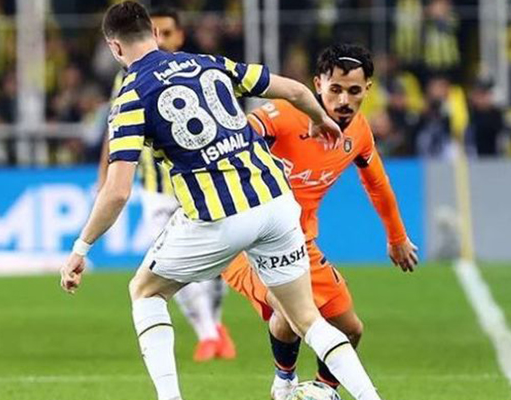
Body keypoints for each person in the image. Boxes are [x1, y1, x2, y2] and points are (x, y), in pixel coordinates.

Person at [60, 3, 384, 400]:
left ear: (115, 47)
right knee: (308, 320)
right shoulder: (208, 63)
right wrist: (320, 118)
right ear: (154, 34)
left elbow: (117, 191)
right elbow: (297, 91)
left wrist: (81, 248)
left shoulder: (129, 97)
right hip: (276, 202)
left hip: (218, 215)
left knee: (145, 291)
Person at [221, 44, 418, 400]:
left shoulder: (359, 133)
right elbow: (234, 139)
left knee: (351, 329)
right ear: (317, 84)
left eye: (354, 91)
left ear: (367, 89)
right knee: (291, 310)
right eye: (335, 89)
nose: (344, 100)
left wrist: (397, 238)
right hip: (247, 240)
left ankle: (321, 391)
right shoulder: (284, 115)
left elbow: (377, 184)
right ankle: (284, 385)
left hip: (300, 244)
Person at [96, 6, 236, 362]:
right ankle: (207, 334)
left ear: (177, 35)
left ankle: (215, 325)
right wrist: (105, 175)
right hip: (156, 189)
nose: (161, 37)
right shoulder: (126, 80)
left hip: (202, 185)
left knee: (216, 266)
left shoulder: (194, 70)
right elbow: (114, 133)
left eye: (167, 32)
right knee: (170, 264)